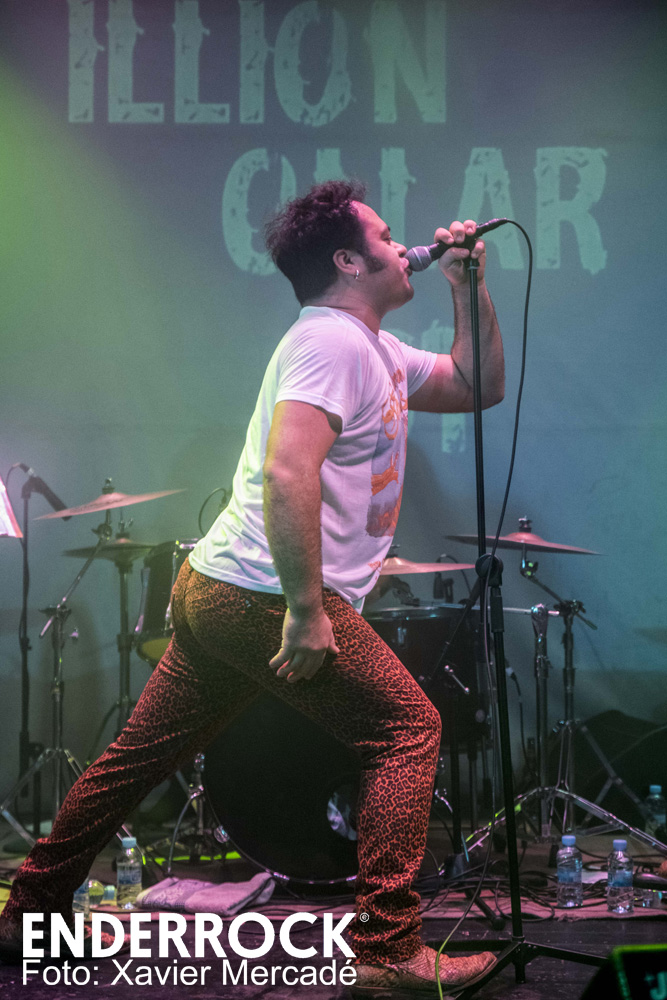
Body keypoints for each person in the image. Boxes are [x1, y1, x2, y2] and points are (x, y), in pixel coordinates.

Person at [0, 180, 504, 994]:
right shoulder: (331, 343)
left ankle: (28, 911)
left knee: (136, 759)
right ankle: (386, 949)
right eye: (384, 235)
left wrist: (467, 288)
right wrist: (305, 609)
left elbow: (476, 386)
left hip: (221, 587)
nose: (403, 244)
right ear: (348, 260)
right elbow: (286, 470)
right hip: (262, 593)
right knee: (406, 731)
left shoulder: (371, 347)